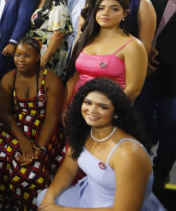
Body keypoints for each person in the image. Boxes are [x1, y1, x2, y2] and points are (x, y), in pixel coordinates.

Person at [37, 78, 165, 211]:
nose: (92, 110)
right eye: (88, 102)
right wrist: (49, 198)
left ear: (116, 112)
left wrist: (60, 210)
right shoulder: (85, 131)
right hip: (87, 196)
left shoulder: (128, 154)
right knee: (43, 198)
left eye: (102, 106)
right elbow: (68, 169)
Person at [0, 37, 65, 210]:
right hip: (16, 126)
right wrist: (23, 141)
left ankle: (30, 205)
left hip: (44, 130)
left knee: (32, 166)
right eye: (17, 55)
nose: (21, 60)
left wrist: (39, 149)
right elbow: (4, 113)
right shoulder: (9, 79)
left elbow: (52, 119)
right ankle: (5, 202)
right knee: (2, 153)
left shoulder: (51, 81)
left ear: (38, 57)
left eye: (27, 55)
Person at [136, 0, 176, 189]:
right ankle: (139, 169)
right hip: (146, 77)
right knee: (141, 125)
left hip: (173, 83)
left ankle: (161, 172)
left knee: (170, 127)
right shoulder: (153, 1)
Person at [66, 0, 148, 106]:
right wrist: (64, 109)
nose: (105, 13)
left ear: (125, 13)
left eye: (114, 9)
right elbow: (73, 78)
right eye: (101, 8)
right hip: (76, 109)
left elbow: (133, 90)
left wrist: (105, 110)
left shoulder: (133, 46)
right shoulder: (85, 39)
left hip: (109, 114)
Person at [28, 0, 72, 80]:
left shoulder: (57, 4)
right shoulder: (38, 1)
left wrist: (43, 61)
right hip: (37, 51)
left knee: (48, 88)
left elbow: (58, 34)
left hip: (50, 55)